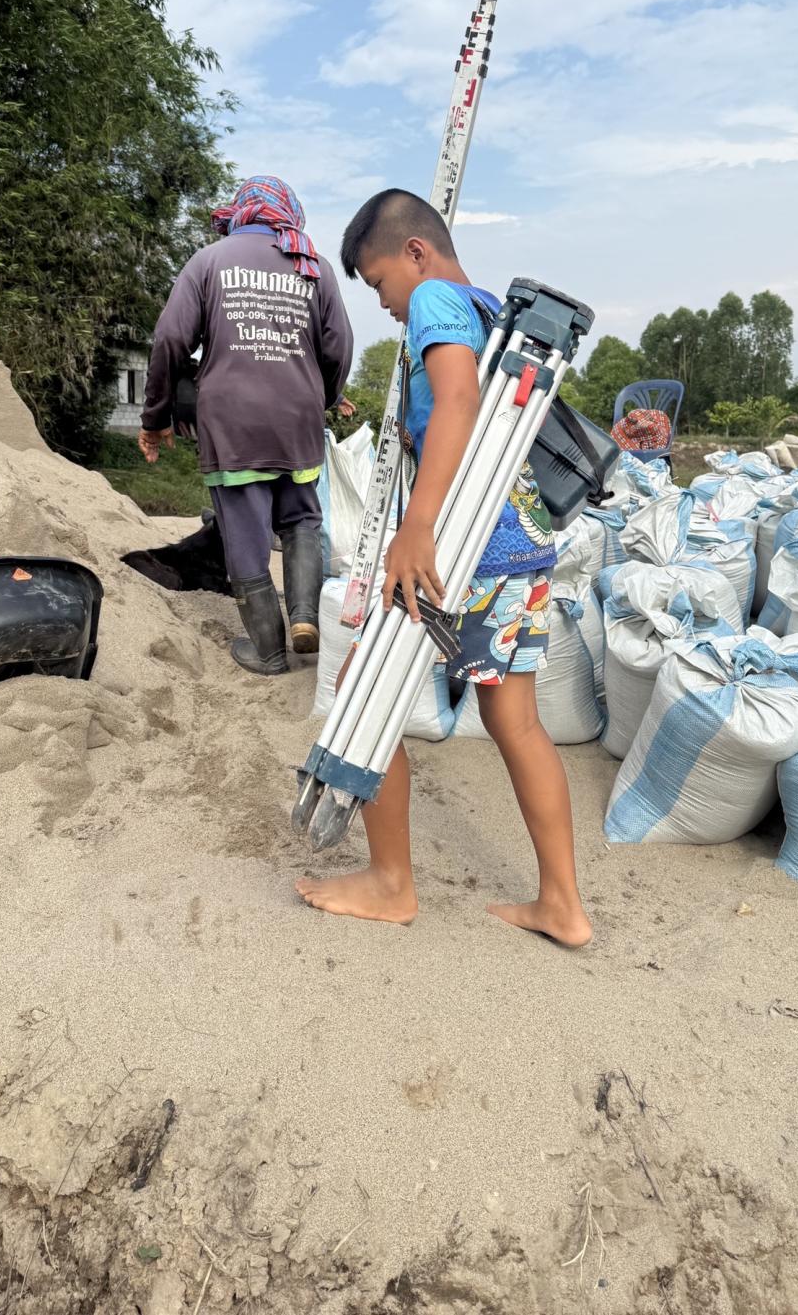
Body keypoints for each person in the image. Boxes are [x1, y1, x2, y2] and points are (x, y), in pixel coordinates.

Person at [295, 189, 592, 947]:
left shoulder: (434, 298)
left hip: (457, 548)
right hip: (521, 548)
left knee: (366, 684)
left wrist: (416, 526)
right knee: (516, 721)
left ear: (416, 254)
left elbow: (457, 397)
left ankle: (392, 883)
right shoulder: (489, 305)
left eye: (379, 282)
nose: (388, 305)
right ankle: (562, 902)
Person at [140, 177, 354, 676]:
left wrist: (157, 416)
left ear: (240, 212)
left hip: (231, 422)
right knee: (302, 519)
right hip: (297, 420)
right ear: (289, 213)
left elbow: (170, 339)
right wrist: (322, 398)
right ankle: (304, 616)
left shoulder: (209, 261)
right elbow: (339, 348)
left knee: (244, 531)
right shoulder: (314, 266)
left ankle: (268, 650)